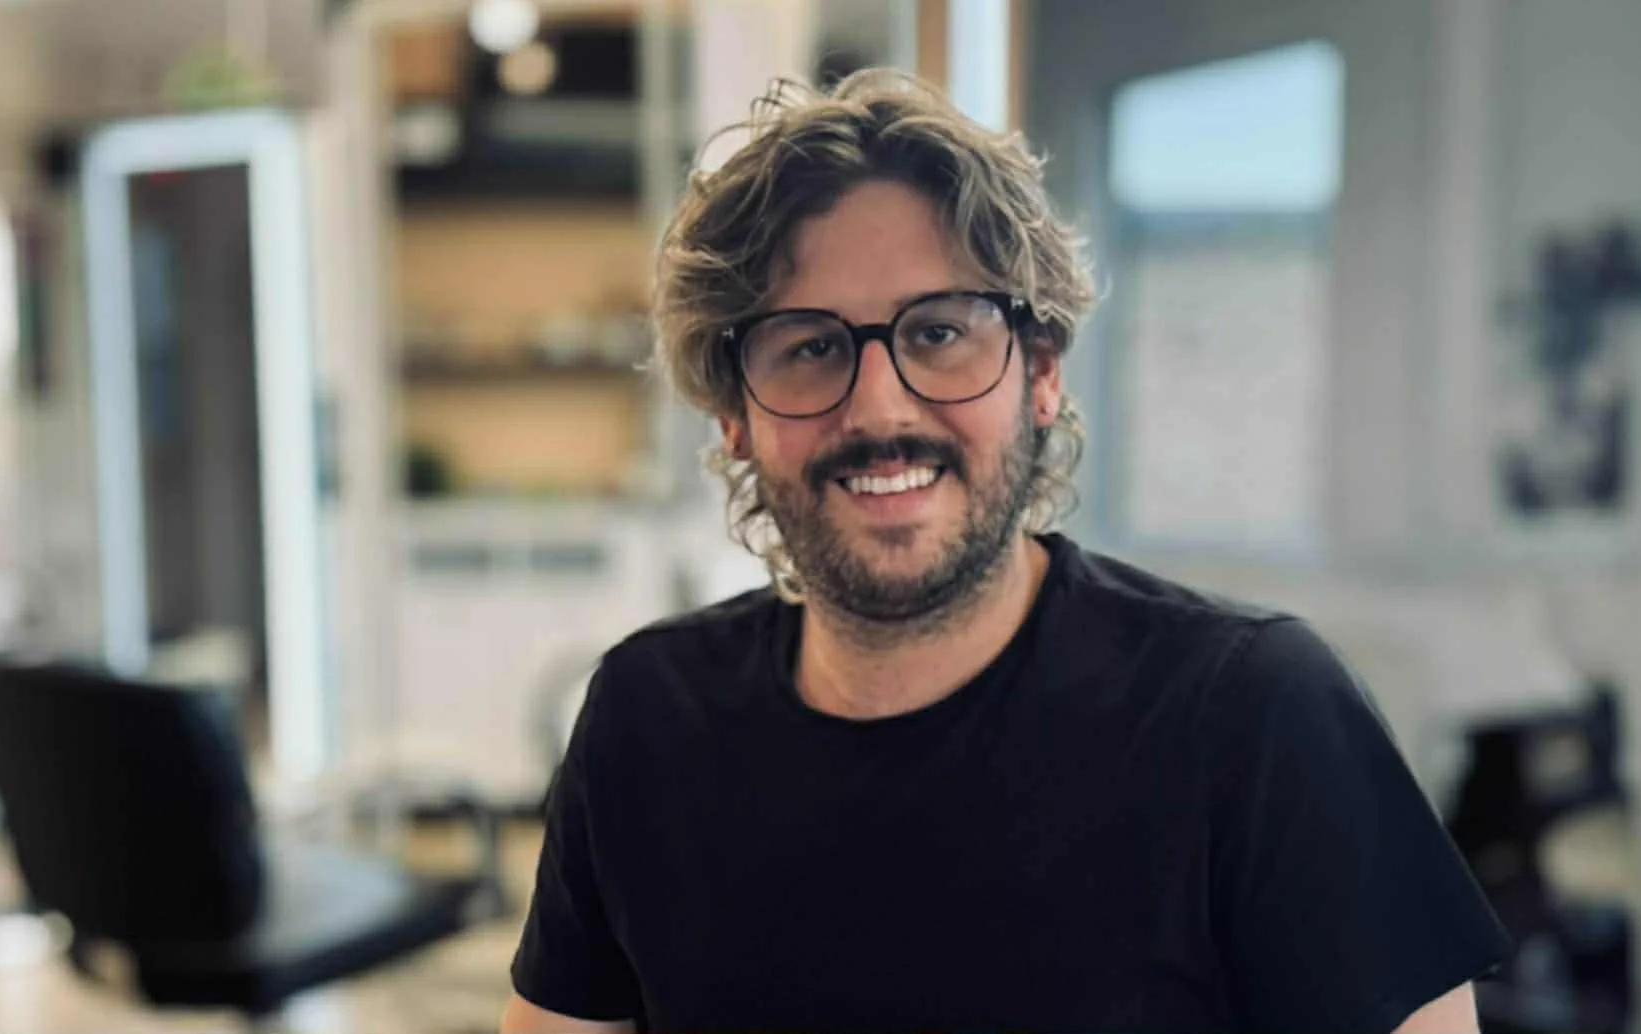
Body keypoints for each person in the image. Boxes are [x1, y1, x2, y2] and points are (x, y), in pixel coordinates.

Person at [502, 69, 1509, 1034]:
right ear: (731, 415)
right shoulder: (645, 721)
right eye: (808, 345)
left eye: (939, 331)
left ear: (1038, 374)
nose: (880, 406)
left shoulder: (1252, 716)